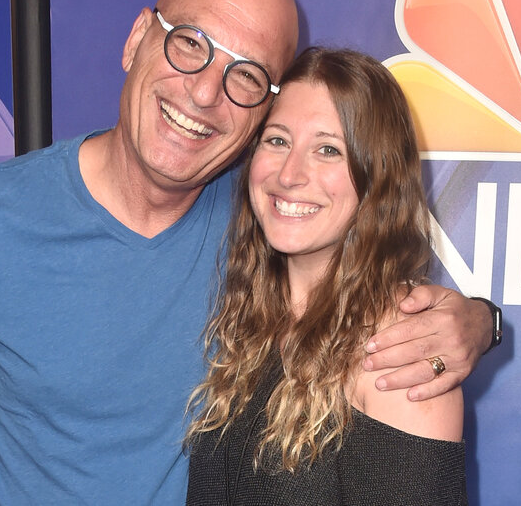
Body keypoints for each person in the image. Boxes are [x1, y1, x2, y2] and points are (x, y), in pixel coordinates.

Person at [0, 0, 495, 505]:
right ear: (139, 37)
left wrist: (478, 319)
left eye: (246, 76)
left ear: (260, 113)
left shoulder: (260, 215)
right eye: (190, 44)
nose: (204, 92)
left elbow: (360, 280)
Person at [186, 47, 467, 505]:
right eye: (277, 140)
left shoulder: (398, 351)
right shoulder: (251, 321)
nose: (290, 174)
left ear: (376, 178)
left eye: (328, 149)